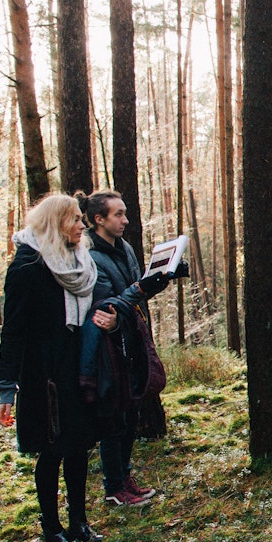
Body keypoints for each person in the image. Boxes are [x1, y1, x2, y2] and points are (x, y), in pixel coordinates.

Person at [0, 194, 111, 542]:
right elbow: (12, 331)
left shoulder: (81, 264)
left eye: (81, 218)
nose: (82, 225)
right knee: (52, 450)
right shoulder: (28, 266)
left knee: (78, 447)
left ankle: (79, 524)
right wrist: (6, 389)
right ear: (56, 223)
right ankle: (51, 529)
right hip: (43, 377)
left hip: (76, 368)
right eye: (75, 219)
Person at [82, 190, 182, 507]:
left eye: (125, 213)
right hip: (107, 350)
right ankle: (113, 487)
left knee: (129, 414)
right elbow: (107, 307)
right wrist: (140, 288)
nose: (126, 220)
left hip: (130, 339)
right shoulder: (90, 256)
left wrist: (163, 277)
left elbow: (133, 294)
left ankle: (125, 478)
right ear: (99, 219)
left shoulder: (123, 248)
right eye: (118, 214)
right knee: (113, 418)